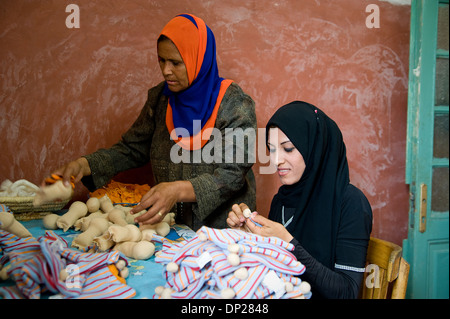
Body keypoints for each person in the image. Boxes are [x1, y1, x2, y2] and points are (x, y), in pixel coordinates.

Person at [47, 14, 257, 230]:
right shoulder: (161, 99)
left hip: (225, 231)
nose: (166, 71)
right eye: (161, 60)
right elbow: (131, 149)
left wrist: (176, 190)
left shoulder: (235, 104)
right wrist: (85, 164)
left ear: (199, 58)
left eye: (175, 62)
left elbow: (231, 175)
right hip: (170, 227)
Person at [227, 101, 373, 299]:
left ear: (315, 148)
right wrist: (249, 237)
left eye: (287, 149)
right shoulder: (282, 200)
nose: (277, 160)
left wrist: (288, 243)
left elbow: (347, 292)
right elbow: (274, 269)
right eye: (272, 149)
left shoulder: (351, 203)